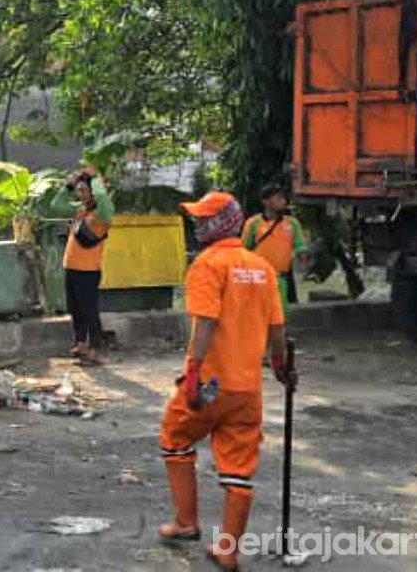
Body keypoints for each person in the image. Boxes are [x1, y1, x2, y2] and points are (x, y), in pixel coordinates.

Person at [158, 191, 295, 571]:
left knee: (175, 437)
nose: (197, 225)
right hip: (247, 389)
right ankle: (227, 550)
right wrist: (280, 363)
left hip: (210, 385)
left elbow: (205, 323)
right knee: (238, 467)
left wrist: (192, 372)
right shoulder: (262, 267)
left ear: (218, 223)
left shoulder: (208, 265)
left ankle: (186, 523)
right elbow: (277, 327)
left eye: (203, 218)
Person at [62, 168, 115, 363]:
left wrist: (94, 179)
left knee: (89, 310)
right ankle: (80, 343)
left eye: (84, 190)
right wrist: (69, 185)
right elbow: (56, 204)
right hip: (71, 266)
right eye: (78, 190)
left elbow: (102, 196)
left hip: (88, 270)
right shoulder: (79, 210)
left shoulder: (103, 212)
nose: (80, 194)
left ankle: (95, 348)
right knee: (75, 308)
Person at [242, 184, 308, 312]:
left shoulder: (292, 223)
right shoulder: (253, 223)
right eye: (278, 198)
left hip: (280, 279)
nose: (283, 201)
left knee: (279, 318)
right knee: (257, 316)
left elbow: (300, 246)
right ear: (265, 202)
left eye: (283, 198)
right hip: (257, 279)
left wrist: (303, 259)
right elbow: (244, 251)